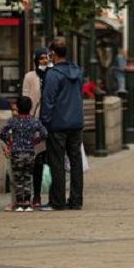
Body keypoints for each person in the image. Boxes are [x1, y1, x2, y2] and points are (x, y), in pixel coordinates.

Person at [40, 39, 85, 211]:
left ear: (53, 53)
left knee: (57, 163)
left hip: (58, 124)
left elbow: (48, 101)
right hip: (76, 122)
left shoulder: (53, 74)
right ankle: (76, 200)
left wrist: (44, 122)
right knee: (76, 162)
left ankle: (58, 200)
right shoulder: (77, 71)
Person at [0, 95, 48, 212]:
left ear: (17, 108)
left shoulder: (12, 121)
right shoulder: (34, 121)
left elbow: (1, 133)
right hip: (30, 152)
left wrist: (9, 141)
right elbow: (45, 133)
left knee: (18, 178)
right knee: (27, 177)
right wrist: (36, 141)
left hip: (16, 153)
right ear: (30, 108)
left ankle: (19, 203)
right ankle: (27, 202)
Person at [21, 47, 52, 207]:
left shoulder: (53, 75)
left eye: (46, 58)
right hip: (35, 122)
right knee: (38, 160)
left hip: (51, 122)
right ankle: (37, 195)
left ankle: (54, 194)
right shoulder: (30, 76)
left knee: (52, 159)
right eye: (41, 58)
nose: (44, 61)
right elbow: (26, 97)